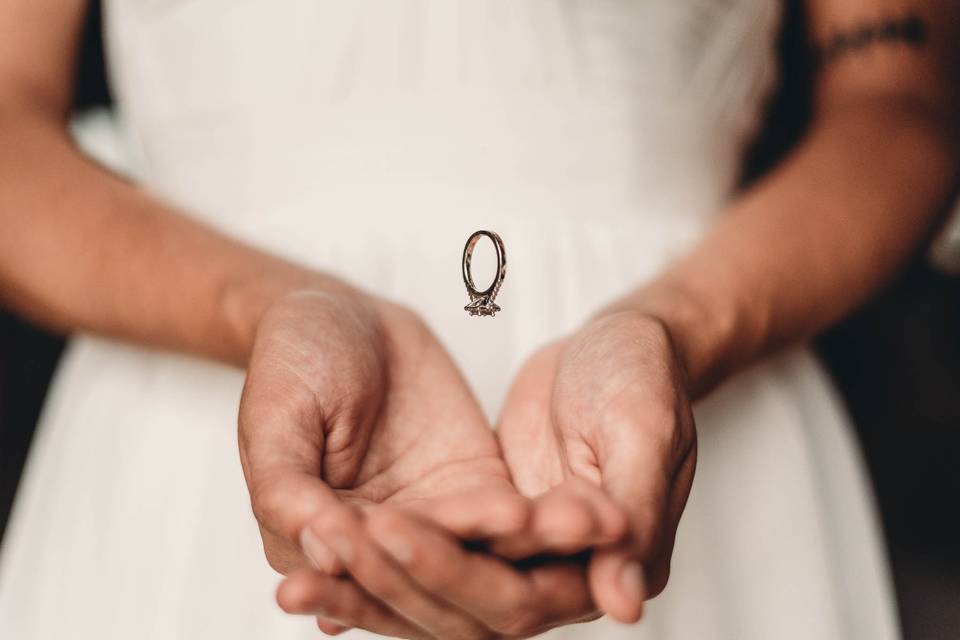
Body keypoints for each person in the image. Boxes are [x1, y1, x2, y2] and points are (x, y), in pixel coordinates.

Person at [0, 0, 957, 638]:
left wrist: (677, 325)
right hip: (192, 421)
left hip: (690, 391)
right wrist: (263, 307)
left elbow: (898, 107)